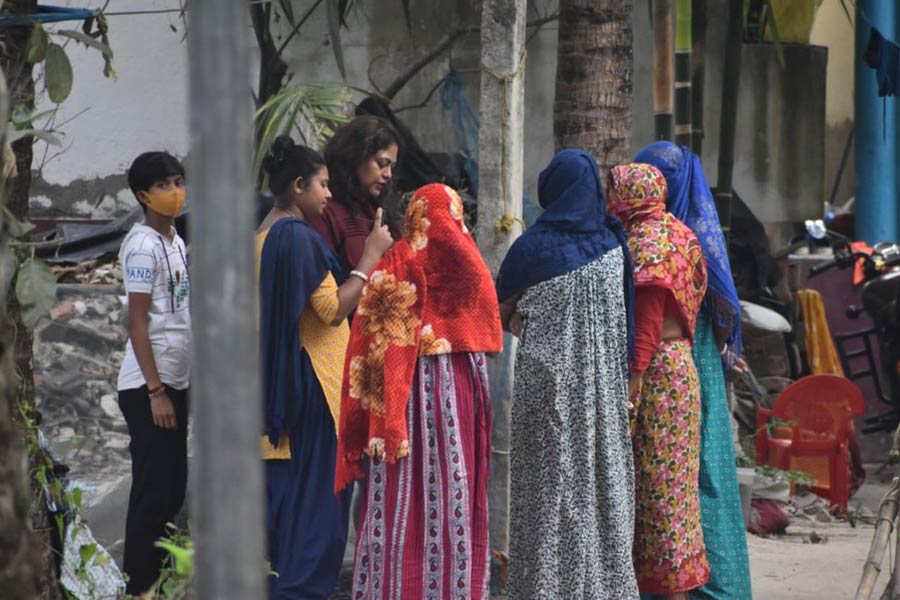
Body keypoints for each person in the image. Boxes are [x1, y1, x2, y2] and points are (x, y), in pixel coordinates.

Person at [334, 183, 503, 599]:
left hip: (401, 408)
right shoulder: (474, 270)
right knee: (456, 495)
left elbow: (365, 348)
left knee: (399, 501)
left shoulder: (392, 267)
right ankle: (452, 588)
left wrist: (365, 418)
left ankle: (394, 588)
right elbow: (489, 342)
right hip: (460, 402)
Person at [495, 149, 639, 599]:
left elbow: (498, 312)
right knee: (601, 490)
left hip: (547, 393)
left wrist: (527, 322)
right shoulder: (615, 247)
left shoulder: (531, 249)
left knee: (548, 492)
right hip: (602, 396)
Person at [256, 136, 393, 599]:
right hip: (315, 389)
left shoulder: (261, 235)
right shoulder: (297, 238)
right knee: (317, 508)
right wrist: (371, 257)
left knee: (288, 503)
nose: (330, 195)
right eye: (322, 185)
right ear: (298, 186)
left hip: (282, 386)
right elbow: (332, 310)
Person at [635, 141, 753, 600]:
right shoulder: (691, 235)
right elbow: (724, 307)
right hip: (695, 362)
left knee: (682, 480)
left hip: (673, 367)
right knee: (692, 477)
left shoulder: (654, 239)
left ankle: (696, 585)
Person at [607, 163, 710, 599]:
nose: (610, 201)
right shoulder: (680, 234)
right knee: (674, 496)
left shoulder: (646, 245)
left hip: (656, 376)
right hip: (681, 368)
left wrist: (632, 384)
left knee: (658, 498)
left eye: (614, 193)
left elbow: (647, 324)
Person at [117, 151, 190, 595]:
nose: (174, 191)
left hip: (175, 380)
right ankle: (137, 586)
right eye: (164, 185)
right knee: (152, 492)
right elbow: (137, 322)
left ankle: (159, 583)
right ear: (144, 195)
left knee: (172, 490)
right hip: (149, 386)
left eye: (178, 180)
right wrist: (155, 391)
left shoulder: (175, 240)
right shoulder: (142, 245)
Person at [308, 115, 401, 278]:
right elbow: (324, 300)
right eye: (381, 164)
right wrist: (372, 255)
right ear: (356, 156)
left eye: (392, 167)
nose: (388, 175)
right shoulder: (324, 212)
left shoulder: (376, 212)